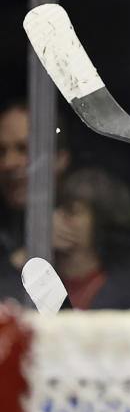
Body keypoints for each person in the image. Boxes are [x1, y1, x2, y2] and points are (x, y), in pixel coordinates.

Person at [0, 98, 72, 304]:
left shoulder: (92, 212)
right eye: (1, 151)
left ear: (59, 158)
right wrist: (32, 251)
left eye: (24, 149)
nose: (9, 163)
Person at [51, 167, 130, 310]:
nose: (56, 218)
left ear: (100, 222)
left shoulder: (123, 295)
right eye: (57, 208)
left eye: (71, 211)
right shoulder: (39, 275)